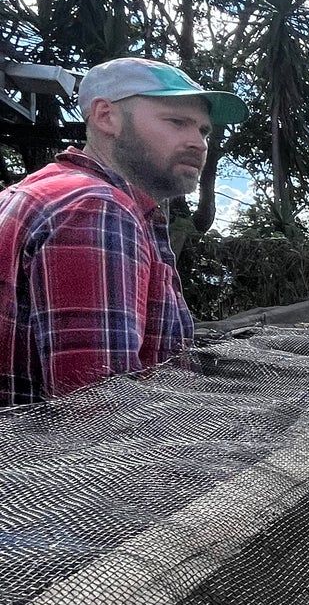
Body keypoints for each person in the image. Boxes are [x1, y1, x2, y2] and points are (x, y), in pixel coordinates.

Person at [0, 57, 245, 406]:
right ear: (105, 117)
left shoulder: (40, 190)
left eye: (203, 130)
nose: (198, 142)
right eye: (177, 122)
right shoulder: (95, 208)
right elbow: (98, 410)